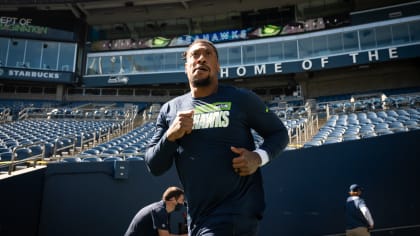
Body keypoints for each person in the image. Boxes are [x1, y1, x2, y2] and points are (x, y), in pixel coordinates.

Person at [145, 39, 289, 236]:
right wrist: (171, 136)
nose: (201, 58)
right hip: (197, 217)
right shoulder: (170, 109)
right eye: (195, 55)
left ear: (218, 66)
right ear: (186, 65)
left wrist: (258, 157)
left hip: (236, 212)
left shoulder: (241, 98)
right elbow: (154, 165)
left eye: (208, 54)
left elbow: (279, 133)